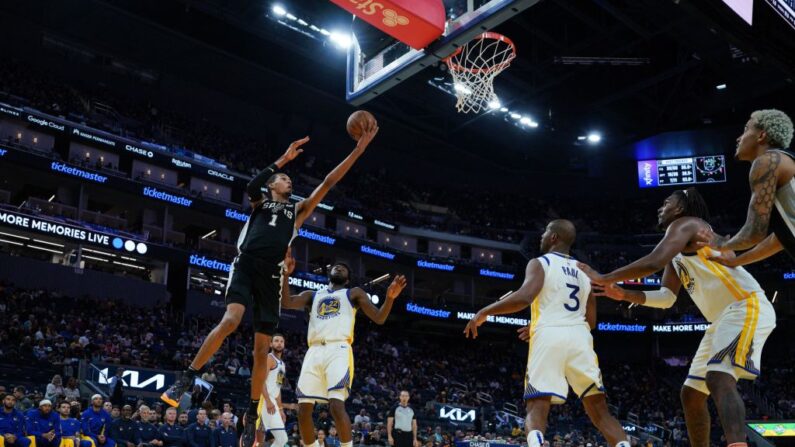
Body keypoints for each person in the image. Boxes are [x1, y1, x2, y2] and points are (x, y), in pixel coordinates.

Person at [162, 126, 379, 447]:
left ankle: (252, 415)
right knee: (231, 320)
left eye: (289, 178)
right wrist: (283, 159)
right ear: (271, 184)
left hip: (272, 274)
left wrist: (358, 150)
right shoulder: (259, 203)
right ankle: (187, 376)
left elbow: (328, 182)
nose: (288, 181)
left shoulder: (298, 209)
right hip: (247, 263)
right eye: (283, 179)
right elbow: (251, 184)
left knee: (261, 350)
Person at [577, 188, 777, 447]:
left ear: (680, 209)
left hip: (745, 305)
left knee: (718, 376)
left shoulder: (688, 224)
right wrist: (624, 293)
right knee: (691, 394)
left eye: (666, 203)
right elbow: (666, 297)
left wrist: (604, 277)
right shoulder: (679, 253)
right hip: (722, 320)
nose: (661, 208)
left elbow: (654, 261)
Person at [463, 220, 630, 447]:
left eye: (545, 232)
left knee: (537, 405)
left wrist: (484, 312)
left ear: (553, 237)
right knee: (600, 411)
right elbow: (591, 321)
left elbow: (523, 297)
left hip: (549, 335)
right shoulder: (585, 271)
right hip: (580, 337)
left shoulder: (540, 263)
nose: (541, 236)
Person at [280, 252, 407, 447]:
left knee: (336, 406)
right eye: (335, 266)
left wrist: (389, 298)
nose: (338, 267)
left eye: (343, 268)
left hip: (338, 349)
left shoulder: (353, 293)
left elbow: (379, 318)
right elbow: (286, 302)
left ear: (347, 278)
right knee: (303, 409)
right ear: (329, 273)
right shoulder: (313, 295)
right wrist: (286, 275)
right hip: (314, 350)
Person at [700, 109, 795, 259]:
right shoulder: (785, 160)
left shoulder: (766, 160)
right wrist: (735, 262)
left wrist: (720, 244)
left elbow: (754, 233)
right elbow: (779, 239)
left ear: (761, 135)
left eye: (745, 130)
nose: (738, 138)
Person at [256, 334, 288, 447]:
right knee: (261, 438)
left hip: (272, 402)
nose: (279, 343)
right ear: (271, 344)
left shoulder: (282, 365)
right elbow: (260, 382)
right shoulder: (269, 358)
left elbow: (278, 389)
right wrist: (268, 401)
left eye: (281, 341)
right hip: (264, 400)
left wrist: (280, 409)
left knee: (282, 439)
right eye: (276, 341)